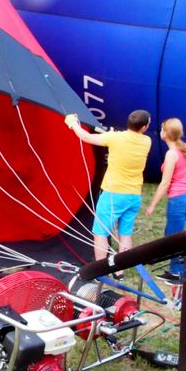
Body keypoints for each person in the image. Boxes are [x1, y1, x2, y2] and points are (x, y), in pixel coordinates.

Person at [66, 110, 152, 271]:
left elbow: (86, 137)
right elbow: (126, 139)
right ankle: (122, 268)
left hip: (113, 194)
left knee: (101, 233)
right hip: (133, 195)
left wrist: (73, 124)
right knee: (125, 235)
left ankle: (101, 268)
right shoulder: (146, 141)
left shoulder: (115, 138)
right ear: (144, 127)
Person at [145, 117, 186, 282]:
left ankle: (178, 273)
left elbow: (165, 183)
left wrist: (152, 205)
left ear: (166, 134)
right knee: (174, 234)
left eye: (162, 129)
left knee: (174, 238)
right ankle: (177, 269)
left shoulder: (171, 154)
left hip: (178, 201)